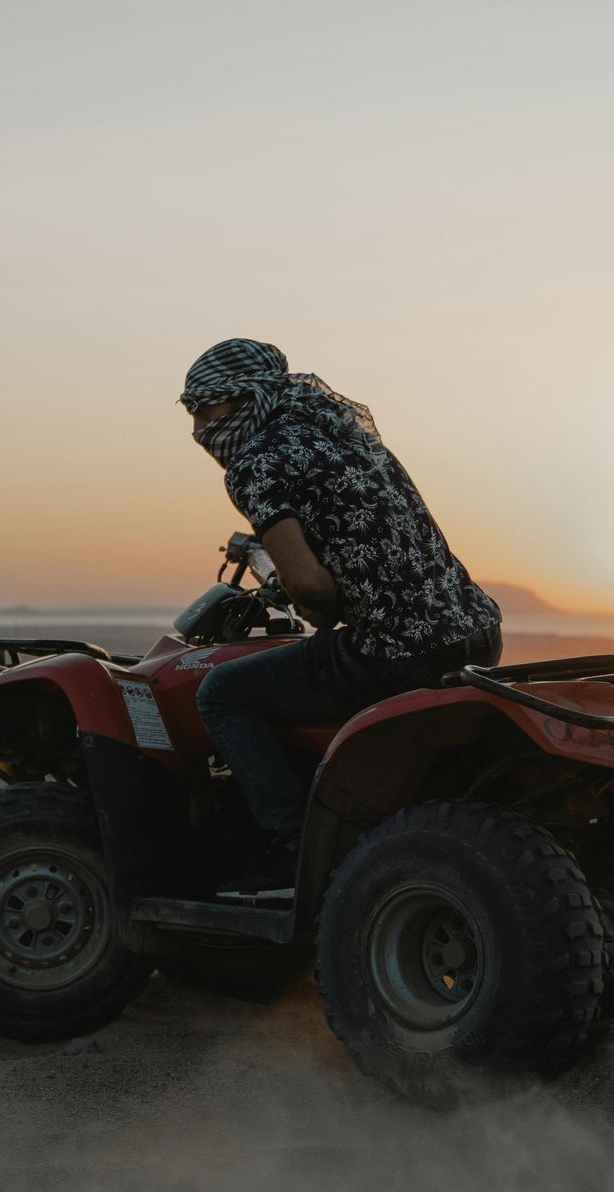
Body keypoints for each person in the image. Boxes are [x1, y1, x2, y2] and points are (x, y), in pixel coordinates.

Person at [180, 338, 502, 870]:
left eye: (202, 406)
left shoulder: (256, 462)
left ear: (242, 397)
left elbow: (306, 585)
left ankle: (294, 848)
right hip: (476, 633)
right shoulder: (341, 433)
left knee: (222, 693)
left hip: (400, 652)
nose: (196, 428)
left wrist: (318, 610)